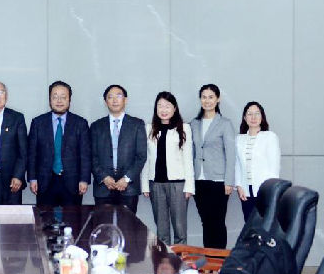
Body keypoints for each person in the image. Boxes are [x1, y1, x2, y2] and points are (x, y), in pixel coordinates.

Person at [142, 92, 194, 245]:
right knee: (161, 229)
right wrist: (145, 184)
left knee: (180, 228)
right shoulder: (149, 128)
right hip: (156, 184)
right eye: (160, 106)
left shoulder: (184, 128)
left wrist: (189, 186)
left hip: (178, 184)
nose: (163, 110)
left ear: (174, 108)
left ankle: (181, 258)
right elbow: (146, 159)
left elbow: (188, 158)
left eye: (167, 106)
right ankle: (164, 259)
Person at [27, 81, 91, 206]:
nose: (59, 101)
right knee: (44, 217)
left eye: (63, 97)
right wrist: (32, 178)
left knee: (72, 217)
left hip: (73, 182)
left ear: (69, 100)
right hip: (44, 181)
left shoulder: (80, 123)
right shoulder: (38, 123)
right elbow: (32, 153)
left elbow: (85, 154)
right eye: (55, 97)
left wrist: (84, 179)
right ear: (50, 100)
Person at [190, 83, 237, 249]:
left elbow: (231, 154)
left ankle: (219, 261)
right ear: (200, 99)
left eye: (211, 97)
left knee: (217, 222)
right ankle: (209, 260)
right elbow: (191, 152)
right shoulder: (194, 124)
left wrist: (229, 181)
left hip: (218, 180)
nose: (207, 100)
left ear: (218, 99)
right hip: (199, 181)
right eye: (204, 97)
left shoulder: (225, 123)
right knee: (206, 222)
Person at [90, 85, 147, 212]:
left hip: (129, 187)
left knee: (128, 223)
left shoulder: (137, 124)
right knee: (103, 222)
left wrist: (126, 178)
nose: (115, 100)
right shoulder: (96, 126)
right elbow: (91, 156)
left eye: (119, 96)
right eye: (110, 97)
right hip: (103, 188)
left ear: (125, 100)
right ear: (105, 102)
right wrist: (104, 177)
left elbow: (141, 156)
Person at [235, 101, 281, 222]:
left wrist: (271, 191)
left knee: (264, 225)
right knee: (249, 224)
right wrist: (239, 186)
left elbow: (274, 167)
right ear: (245, 118)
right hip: (246, 191)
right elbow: (237, 165)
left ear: (262, 116)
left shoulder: (270, 137)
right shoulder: (239, 139)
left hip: (264, 191)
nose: (253, 117)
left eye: (257, 113)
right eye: (249, 114)